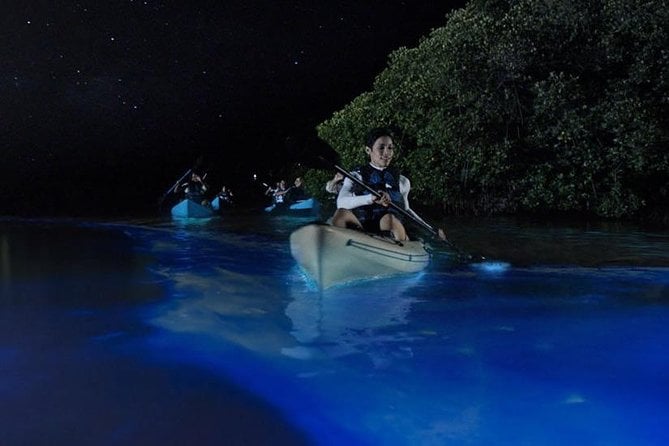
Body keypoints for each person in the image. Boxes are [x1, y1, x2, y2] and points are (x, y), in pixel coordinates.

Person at [331, 127, 446, 241]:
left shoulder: (403, 182)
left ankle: (401, 247)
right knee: (340, 214)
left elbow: (406, 210)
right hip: (363, 225)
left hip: (390, 227)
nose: (387, 153)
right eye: (381, 147)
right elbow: (341, 203)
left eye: (390, 148)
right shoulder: (356, 176)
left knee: (389, 219)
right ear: (368, 150)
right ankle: (345, 245)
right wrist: (371, 198)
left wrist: (431, 230)